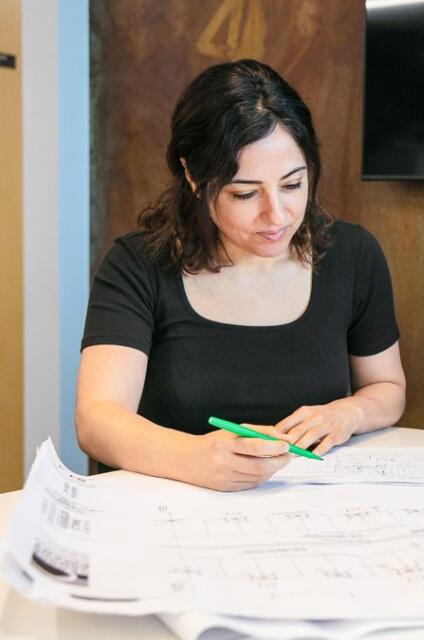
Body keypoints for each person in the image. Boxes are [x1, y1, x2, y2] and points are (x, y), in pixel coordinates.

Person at [76, 60, 406, 491]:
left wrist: (348, 414)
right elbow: (96, 419)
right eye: (245, 193)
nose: (277, 214)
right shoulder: (138, 264)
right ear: (194, 177)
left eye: (292, 184)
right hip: (168, 513)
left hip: (309, 512)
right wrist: (194, 457)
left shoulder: (353, 255)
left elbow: (386, 386)